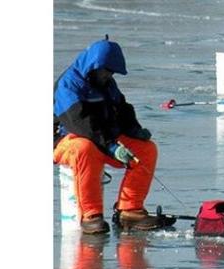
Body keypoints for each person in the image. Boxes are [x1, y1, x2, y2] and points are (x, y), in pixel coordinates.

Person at [54, 37, 162, 234]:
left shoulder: (107, 83)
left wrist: (135, 130)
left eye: (111, 72)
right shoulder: (68, 85)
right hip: (66, 141)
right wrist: (112, 146)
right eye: (106, 71)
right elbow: (80, 124)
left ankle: (129, 210)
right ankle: (91, 215)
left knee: (146, 150)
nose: (108, 75)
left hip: (102, 140)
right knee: (84, 148)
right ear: (93, 66)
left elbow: (122, 109)